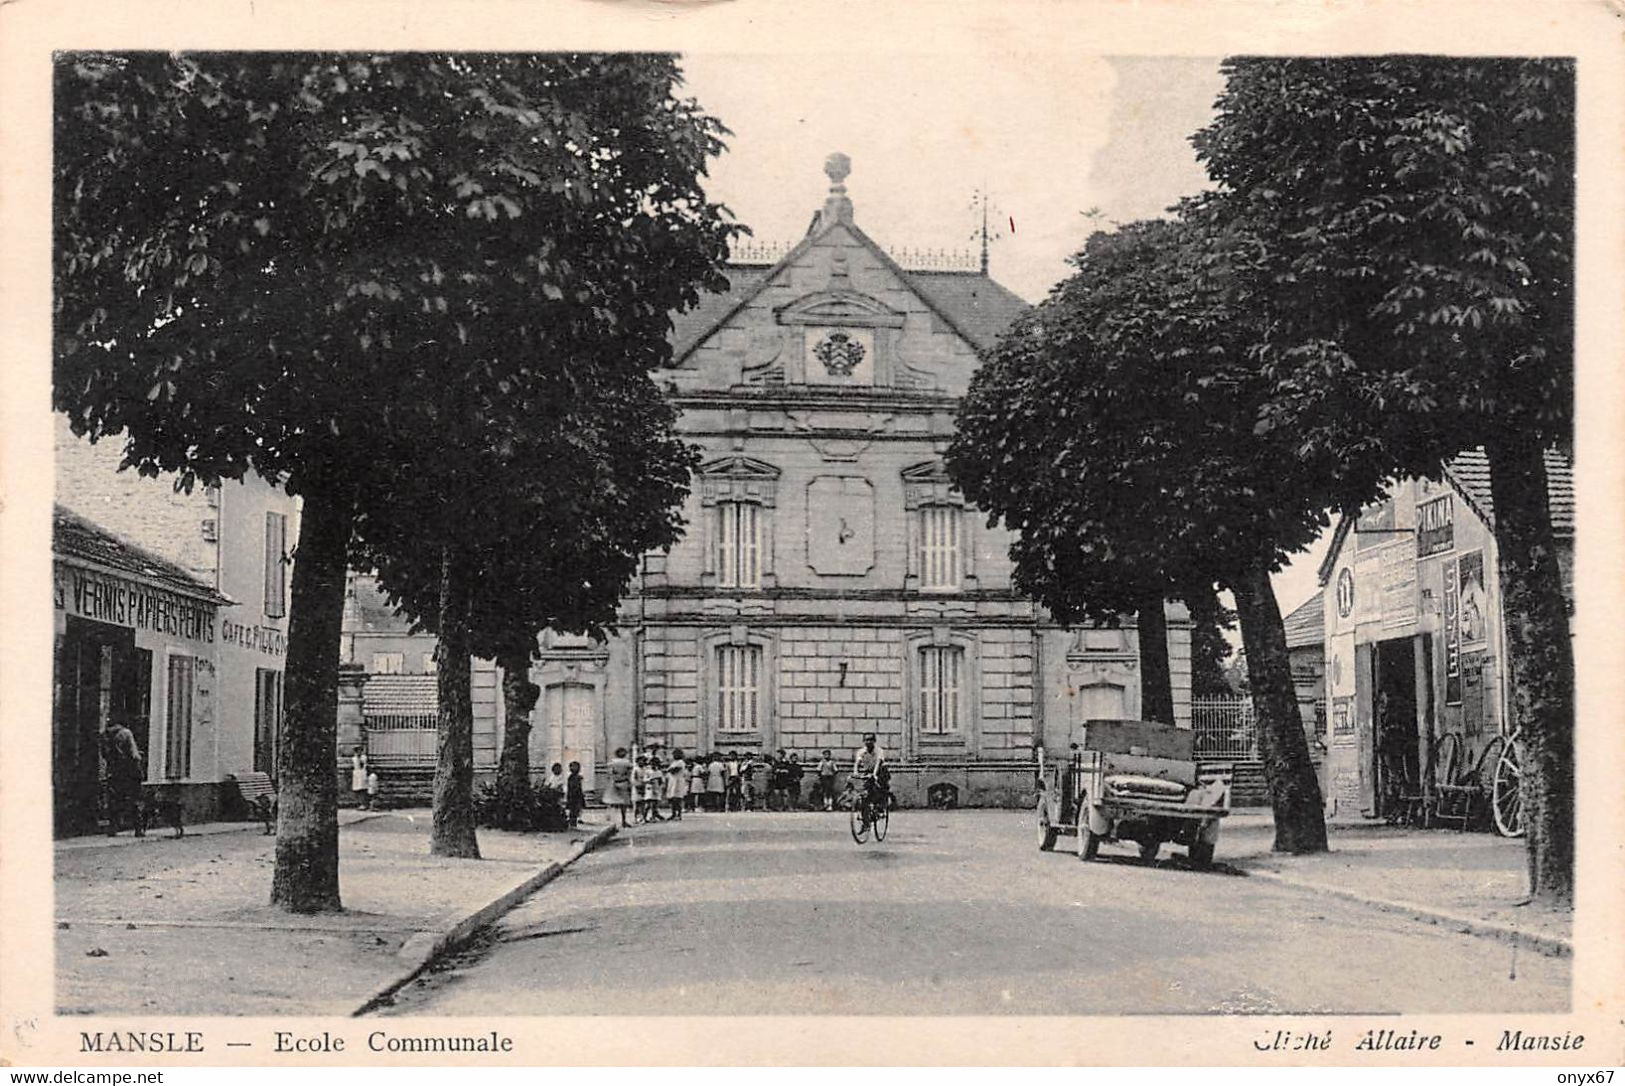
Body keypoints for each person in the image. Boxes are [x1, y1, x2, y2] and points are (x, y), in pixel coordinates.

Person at [102, 718, 145, 836]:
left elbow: (104, 754)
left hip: (113, 771)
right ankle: (138, 829)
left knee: (114, 799)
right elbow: (134, 754)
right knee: (134, 799)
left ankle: (112, 828)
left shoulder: (106, 735)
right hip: (129, 771)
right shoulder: (126, 733)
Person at [851, 733, 889, 818]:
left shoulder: (879, 751)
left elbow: (878, 763)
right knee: (865, 791)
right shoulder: (861, 752)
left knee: (881, 788)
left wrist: (875, 775)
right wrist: (855, 772)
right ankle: (864, 816)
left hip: (880, 771)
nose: (868, 742)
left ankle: (881, 808)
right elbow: (857, 763)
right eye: (866, 740)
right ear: (864, 741)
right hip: (867, 771)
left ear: (874, 741)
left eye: (871, 740)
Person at [603, 748, 633, 827]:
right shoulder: (627, 763)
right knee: (623, 803)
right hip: (623, 782)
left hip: (614, 782)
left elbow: (609, 773)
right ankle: (622, 820)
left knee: (612, 802)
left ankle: (611, 820)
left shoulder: (612, 762)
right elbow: (629, 773)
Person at [666, 748, 688, 821]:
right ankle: (673, 814)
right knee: (672, 798)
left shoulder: (680, 762)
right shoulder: (674, 762)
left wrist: (669, 770)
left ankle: (679, 814)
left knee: (677, 798)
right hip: (672, 781)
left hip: (678, 781)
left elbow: (673, 770)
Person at [565, 761, 586, 828]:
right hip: (573, 796)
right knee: (573, 810)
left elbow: (580, 787)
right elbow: (570, 787)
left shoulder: (577, 777)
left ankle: (574, 823)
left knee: (576, 810)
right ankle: (572, 823)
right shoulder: (571, 777)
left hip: (577, 796)